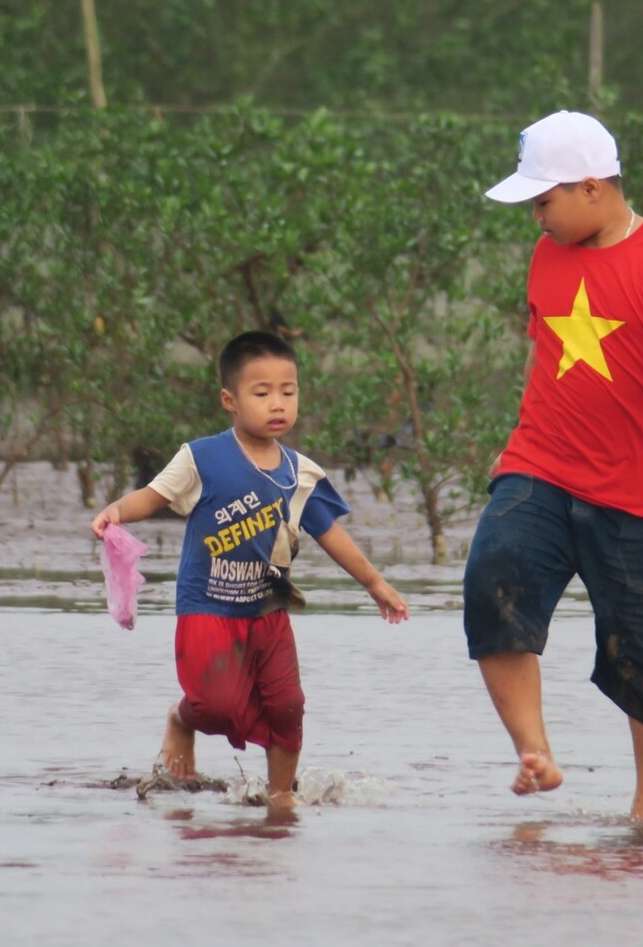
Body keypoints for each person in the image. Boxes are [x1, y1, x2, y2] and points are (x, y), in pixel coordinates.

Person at [465, 110, 643, 823]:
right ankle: (535, 754)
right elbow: (545, 352)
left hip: (642, 488)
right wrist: (517, 436)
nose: (536, 218)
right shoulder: (547, 254)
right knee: (492, 579)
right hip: (541, 465)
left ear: (590, 187)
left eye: (543, 201)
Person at [91, 331, 409, 807]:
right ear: (230, 400)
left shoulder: (300, 473)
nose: (277, 403)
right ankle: (181, 719)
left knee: (288, 706)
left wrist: (375, 583)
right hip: (208, 608)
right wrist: (117, 511)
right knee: (215, 705)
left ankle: (281, 798)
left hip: (268, 611)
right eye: (262, 393)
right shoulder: (202, 458)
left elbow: (330, 534)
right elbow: (154, 496)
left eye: (288, 391)